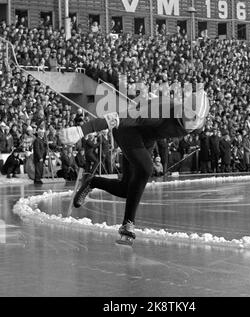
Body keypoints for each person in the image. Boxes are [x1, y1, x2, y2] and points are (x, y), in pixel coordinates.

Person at [59, 89, 209, 243]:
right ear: (182, 109)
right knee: (146, 168)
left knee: (126, 190)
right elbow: (116, 118)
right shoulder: (157, 112)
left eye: (193, 123)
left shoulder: (198, 123)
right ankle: (128, 224)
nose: (189, 125)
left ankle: (93, 181)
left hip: (146, 140)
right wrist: (81, 130)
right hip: (126, 130)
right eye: (186, 119)